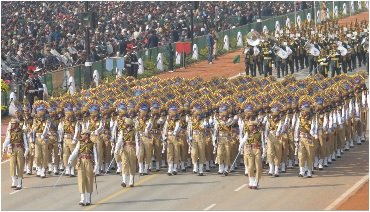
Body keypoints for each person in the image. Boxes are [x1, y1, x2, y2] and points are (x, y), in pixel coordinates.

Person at [68, 129, 98, 206]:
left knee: (89, 180)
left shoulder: (92, 144)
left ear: (87, 135)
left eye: (83, 134)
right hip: (81, 162)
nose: (82, 135)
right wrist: (70, 159)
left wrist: (96, 166)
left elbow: (95, 155)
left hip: (89, 162)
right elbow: (75, 151)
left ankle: (88, 199)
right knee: (81, 180)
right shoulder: (80, 142)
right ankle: (82, 199)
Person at [2, 118, 29, 190]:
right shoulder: (10, 131)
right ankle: (14, 181)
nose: (12, 125)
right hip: (12, 149)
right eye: (12, 123)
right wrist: (4, 146)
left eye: (14, 123)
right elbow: (8, 139)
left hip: (20, 148)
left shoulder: (22, 132)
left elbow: (25, 141)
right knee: (12, 165)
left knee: (20, 165)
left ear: (17, 124)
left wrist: (26, 149)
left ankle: (19, 183)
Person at [115, 117, 138, 187]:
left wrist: (137, 151)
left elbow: (137, 141)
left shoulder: (135, 131)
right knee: (124, 163)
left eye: (126, 123)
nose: (124, 124)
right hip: (124, 148)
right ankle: (124, 181)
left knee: (132, 164)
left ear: (129, 124)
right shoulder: (122, 131)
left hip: (132, 148)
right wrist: (116, 149)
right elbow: (119, 140)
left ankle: (131, 181)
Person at [31, 100, 50, 178]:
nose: (41, 112)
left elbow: (46, 129)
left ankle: (43, 169)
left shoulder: (47, 120)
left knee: (45, 155)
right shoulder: (35, 120)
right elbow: (33, 130)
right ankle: (38, 167)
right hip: (37, 139)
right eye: (39, 111)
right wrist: (32, 140)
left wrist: (43, 136)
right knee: (37, 155)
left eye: (42, 110)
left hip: (44, 139)